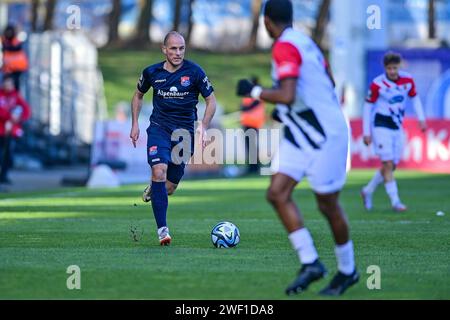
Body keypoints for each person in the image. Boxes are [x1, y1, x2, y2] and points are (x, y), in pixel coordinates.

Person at [236, 0, 358, 296]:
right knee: (277, 193)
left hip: (325, 134)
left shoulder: (284, 46)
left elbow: (288, 94)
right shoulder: (305, 42)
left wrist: (254, 91)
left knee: (327, 205)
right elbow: (324, 83)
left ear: (266, 21)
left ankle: (348, 270)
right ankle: (311, 263)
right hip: (302, 130)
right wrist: (290, 112)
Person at [130, 31, 216, 246]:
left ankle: (155, 188)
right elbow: (138, 95)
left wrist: (203, 126)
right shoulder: (151, 72)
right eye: (173, 48)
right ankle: (163, 231)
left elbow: (211, 101)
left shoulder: (195, 72)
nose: (178, 53)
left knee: (169, 188)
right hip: (159, 128)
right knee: (159, 170)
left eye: (181, 48)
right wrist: (134, 123)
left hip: (184, 134)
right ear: (164, 49)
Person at [361, 52, 427, 212]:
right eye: (389, 68)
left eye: (394, 68)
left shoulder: (408, 80)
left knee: (391, 166)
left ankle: (367, 191)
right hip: (380, 125)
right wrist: (366, 131)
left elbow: (415, 98)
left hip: (397, 127)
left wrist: (421, 118)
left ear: (399, 66)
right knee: (388, 164)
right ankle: (396, 202)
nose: (392, 71)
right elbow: (368, 106)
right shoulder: (377, 84)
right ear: (385, 68)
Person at [0, 75, 31, 184]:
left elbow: (26, 109)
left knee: (8, 155)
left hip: (10, 131)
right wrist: (9, 117)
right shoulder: (1, 95)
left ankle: (3, 176)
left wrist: (19, 118)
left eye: (10, 83)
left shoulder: (16, 96)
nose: (8, 85)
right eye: (6, 83)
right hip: (1, 130)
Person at [240, 76, 265, 174]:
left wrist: (243, 108)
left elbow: (251, 106)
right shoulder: (249, 94)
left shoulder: (257, 93)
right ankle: (251, 167)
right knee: (249, 146)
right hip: (247, 123)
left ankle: (255, 167)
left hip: (253, 123)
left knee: (252, 146)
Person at [1, 25, 29, 91]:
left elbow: (15, 48)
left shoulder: (16, 42)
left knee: (14, 88)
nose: (9, 34)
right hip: (6, 70)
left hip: (16, 70)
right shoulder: (3, 41)